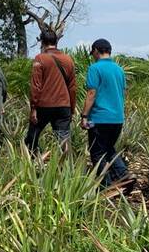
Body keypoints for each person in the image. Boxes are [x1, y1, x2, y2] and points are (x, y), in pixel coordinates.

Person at [80, 38, 134, 191]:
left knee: (96, 152)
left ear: (96, 50)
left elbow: (91, 93)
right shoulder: (119, 69)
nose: (93, 55)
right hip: (117, 118)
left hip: (100, 118)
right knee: (108, 148)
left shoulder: (95, 68)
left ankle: (106, 185)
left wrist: (84, 116)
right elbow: (123, 92)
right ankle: (123, 175)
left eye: (93, 53)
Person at [25, 30, 77, 154]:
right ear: (56, 41)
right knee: (63, 139)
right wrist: (72, 108)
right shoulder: (68, 59)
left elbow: (36, 86)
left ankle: (32, 164)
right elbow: (73, 87)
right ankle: (67, 168)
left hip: (44, 105)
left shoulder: (40, 58)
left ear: (42, 42)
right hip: (64, 105)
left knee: (32, 137)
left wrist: (33, 108)